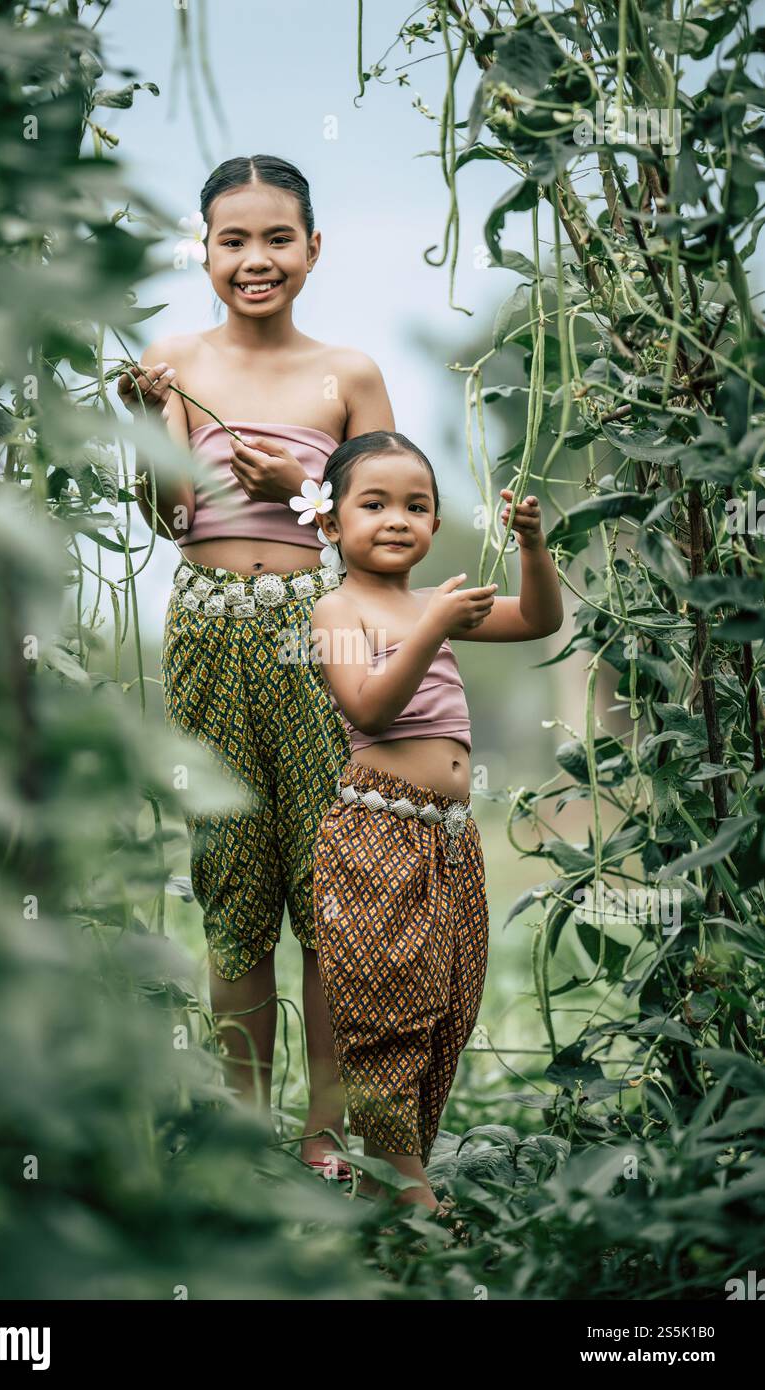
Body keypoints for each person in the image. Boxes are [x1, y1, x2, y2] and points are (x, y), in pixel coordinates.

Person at [117, 156, 394, 1178]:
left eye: (277, 238)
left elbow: (387, 522)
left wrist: (309, 484)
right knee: (231, 879)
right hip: (205, 627)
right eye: (232, 240)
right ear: (204, 252)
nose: (255, 259)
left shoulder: (349, 373)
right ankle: (242, 1132)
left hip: (313, 630)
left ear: (312, 250)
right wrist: (151, 430)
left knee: (320, 887)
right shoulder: (174, 357)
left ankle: (323, 1135)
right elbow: (162, 512)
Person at [310, 430, 563, 1211]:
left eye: (416, 506)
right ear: (329, 524)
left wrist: (532, 546)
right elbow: (369, 705)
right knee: (389, 1010)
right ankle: (408, 1196)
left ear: (434, 524)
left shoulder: (432, 606)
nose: (397, 519)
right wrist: (433, 626)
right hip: (376, 835)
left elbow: (539, 620)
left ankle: (396, 1173)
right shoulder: (336, 608)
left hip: (449, 841)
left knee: (448, 1003)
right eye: (374, 503)